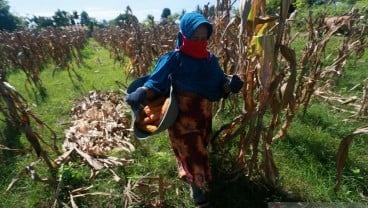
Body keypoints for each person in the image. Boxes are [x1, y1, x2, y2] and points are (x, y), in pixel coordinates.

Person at [125, 12, 243, 207]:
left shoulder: (210, 60)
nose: (199, 42)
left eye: (204, 38)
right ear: (184, 36)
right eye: (195, 38)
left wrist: (231, 85)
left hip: (203, 114)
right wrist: (142, 91)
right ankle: (197, 190)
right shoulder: (174, 58)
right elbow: (156, 80)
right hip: (180, 115)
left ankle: (188, 170)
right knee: (194, 151)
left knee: (199, 146)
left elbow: (221, 83)